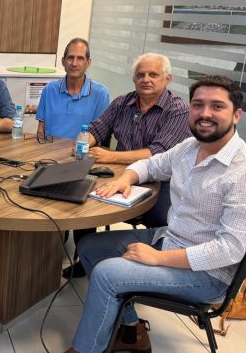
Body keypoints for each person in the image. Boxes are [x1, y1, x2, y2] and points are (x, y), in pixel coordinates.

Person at [65, 76, 246, 353]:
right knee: (90, 247)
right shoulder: (189, 147)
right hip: (170, 238)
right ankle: (131, 330)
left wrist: (159, 258)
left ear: (236, 115)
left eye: (217, 106)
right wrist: (125, 179)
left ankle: (85, 350)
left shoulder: (241, 170)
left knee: (106, 274)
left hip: (208, 274)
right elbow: (150, 164)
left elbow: (230, 249)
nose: (205, 113)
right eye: (198, 105)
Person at [64, 53, 191, 279]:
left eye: (153, 74)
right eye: (140, 75)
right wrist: (84, 142)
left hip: (161, 181)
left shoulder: (179, 111)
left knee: (163, 219)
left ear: (167, 79)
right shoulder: (122, 102)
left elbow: (157, 153)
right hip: (121, 175)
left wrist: (111, 156)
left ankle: (153, 270)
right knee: (83, 199)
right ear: (134, 79)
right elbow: (97, 128)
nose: (146, 79)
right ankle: (86, 259)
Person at [36, 38, 109, 139]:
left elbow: (101, 136)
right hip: (48, 148)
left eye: (80, 58)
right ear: (63, 62)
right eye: (70, 58)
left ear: (88, 63)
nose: (74, 64)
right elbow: (41, 129)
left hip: (81, 149)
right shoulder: (49, 90)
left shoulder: (100, 94)